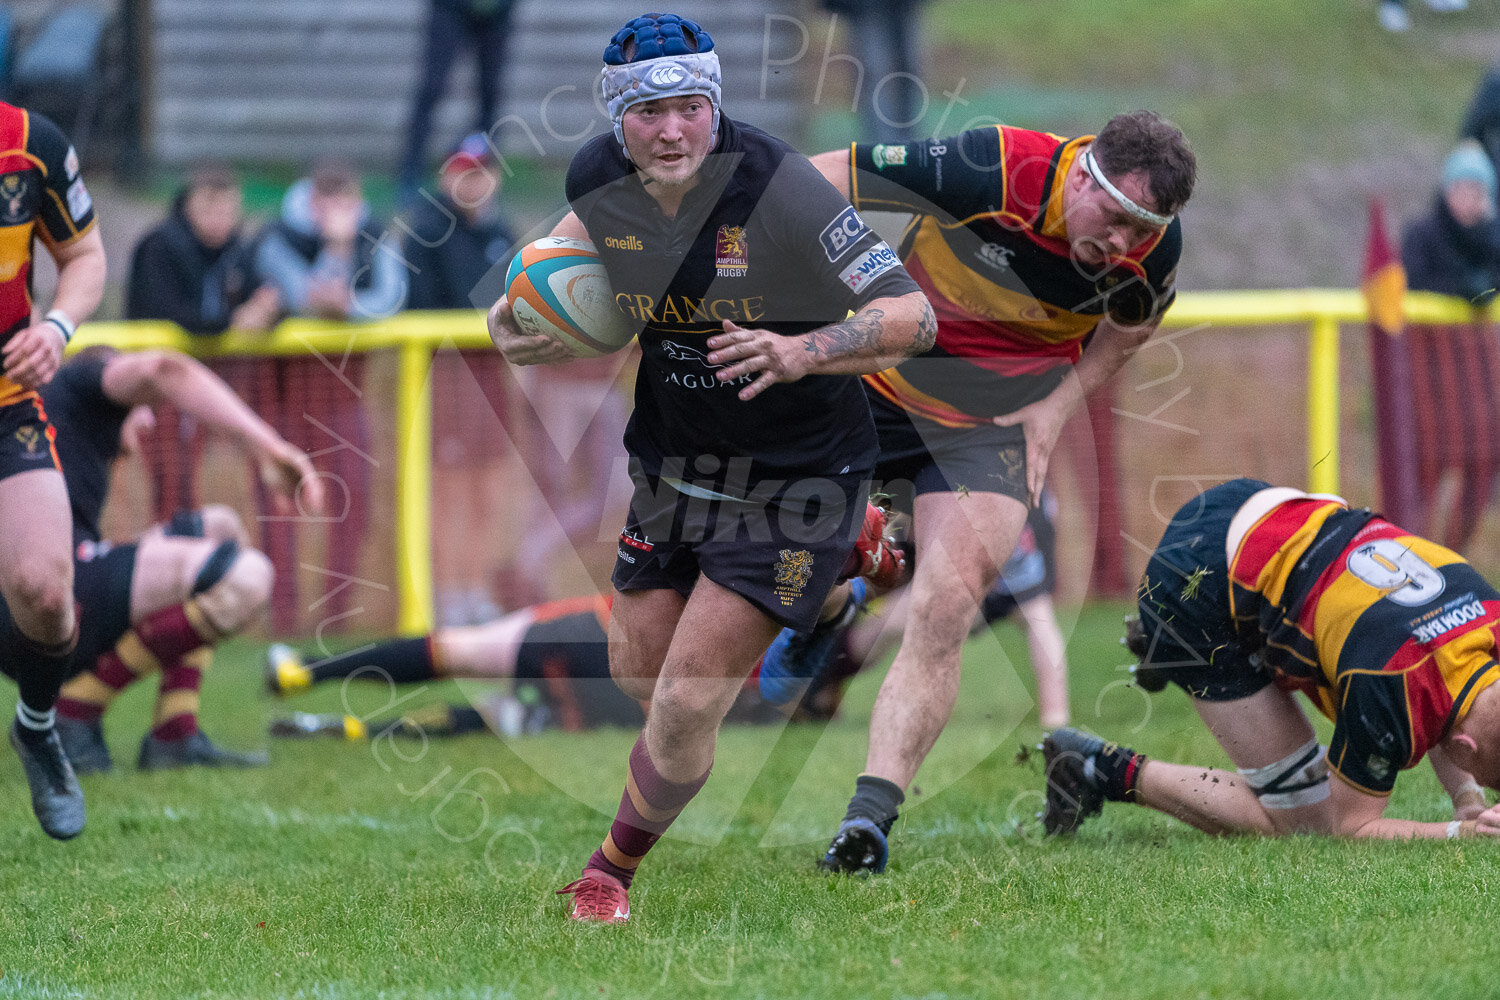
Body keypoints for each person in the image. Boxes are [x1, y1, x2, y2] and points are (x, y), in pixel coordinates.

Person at [488, 12, 934, 922]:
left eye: (692, 106)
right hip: (675, 466)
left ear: (715, 104)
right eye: (650, 112)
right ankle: (848, 573)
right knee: (642, 683)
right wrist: (513, 311)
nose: (673, 129)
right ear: (620, 118)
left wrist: (801, 351)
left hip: (796, 481)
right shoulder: (599, 175)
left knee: (688, 706)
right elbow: (567, 249)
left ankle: (608, 871)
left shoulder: (781, 191)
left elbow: (914, 317)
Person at [806, 110, 1195, 874]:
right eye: (1114, 218)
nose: (1124, 243)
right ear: (1082, 174)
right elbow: (823, 176)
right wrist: (852, 284)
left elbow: (1133, 325)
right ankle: (842, 584)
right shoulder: (989, 166)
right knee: (798, 581)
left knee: (949, 602)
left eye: (1142, 230)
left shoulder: (1154, 246)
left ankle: (868, 821)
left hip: (992, 427)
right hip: (879, 389)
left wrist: (1054, 409)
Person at [1042, 478, 1500, 841]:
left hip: (1266, 511)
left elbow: (1457, 692)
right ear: (1466, 749)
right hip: (1195, 584)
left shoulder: (1491, 615)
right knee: (1308, 817)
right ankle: (1091, 765)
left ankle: (1177, 640)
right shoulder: (1386, 685)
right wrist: (1461, 831)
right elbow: (1351, 827)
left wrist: (1466, 796)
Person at [38, 346, 323, 774]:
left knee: (220, 528)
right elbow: (163, 368)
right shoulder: (78, 385)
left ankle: (175, 732)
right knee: (248, 579)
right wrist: (269, 447)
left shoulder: (60, 424)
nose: (150, 418)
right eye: (141, 407)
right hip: (48, 609)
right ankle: (78, 709)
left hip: (56, 590)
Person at [0, 101, 107, 839]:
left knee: (45, 590)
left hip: (9, 403)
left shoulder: (33, 144)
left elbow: (85, 256)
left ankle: (37, 725)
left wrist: (58, 328)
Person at [250, 161, 407, 631]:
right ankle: (283, 618)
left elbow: (391, 298)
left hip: (345, 399)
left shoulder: (376, 235)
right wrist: (337, 250)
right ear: (312, 200)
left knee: (351, 502)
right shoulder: (275, 236)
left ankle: (335, 619)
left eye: (347, 202)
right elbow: (307, 297)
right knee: (279, 505)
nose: (340, 212)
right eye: (329, 202)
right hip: (283, 399)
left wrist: (349, 304)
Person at [780, 494, 1071, 729]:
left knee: (1038, 618)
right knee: (889, 623)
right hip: (965, 556)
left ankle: (1056, 721)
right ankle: (819, 683)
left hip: (1002, 558)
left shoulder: (1009, 485)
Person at [404, 132, 518, 624]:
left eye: (483, 171)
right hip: (444, 382)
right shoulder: (427, 232)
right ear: (446, 175)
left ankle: (475, 587)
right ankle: (446, 590)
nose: (475, 181)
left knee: (484, 492)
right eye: (464, 170)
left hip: (490, 382)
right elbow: (429, 303)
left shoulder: (501, 232)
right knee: (447, 491)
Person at [124, 161, 280, 336]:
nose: (218, 219)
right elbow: (168, 315)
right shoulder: (159, 246)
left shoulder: (236, 250)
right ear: (188, 207)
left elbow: (257, 295)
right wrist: (232, 322)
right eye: (209, 209)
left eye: (226, 211)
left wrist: (266, 308)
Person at [397, 0, 520, 202]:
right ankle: (411, 175)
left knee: (490, 92)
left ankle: (484, 180)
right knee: (432, 88)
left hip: (497, 10)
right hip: (450, 7)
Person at [1402, 140, 1500, 305]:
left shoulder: (1492, 238)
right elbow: (1414, 281)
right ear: (1446, 191)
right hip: (1431, 329)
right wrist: (1458, 289)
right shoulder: (1421, 234)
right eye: (1460, 189)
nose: (1467, 198)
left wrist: (1488, 288)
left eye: (1475, 190)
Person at [820, 0, 928, 142]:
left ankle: (909, 148)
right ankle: (882, 150)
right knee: (875, 72)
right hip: (864, 7)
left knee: (908, 69)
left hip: (902, 6)